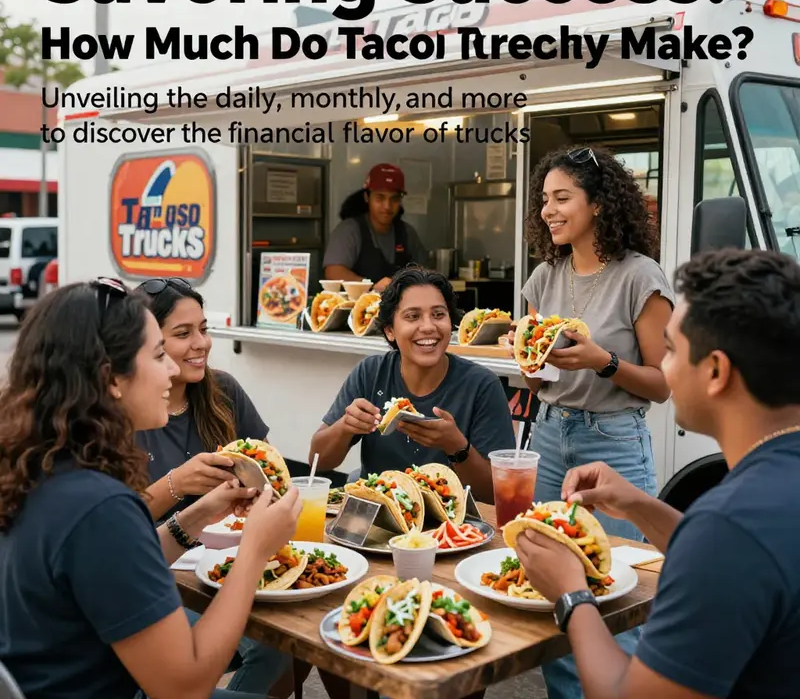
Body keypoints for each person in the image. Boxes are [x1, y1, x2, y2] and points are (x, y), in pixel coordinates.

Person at [515, 248, 800, 699]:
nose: (663, 366)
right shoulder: (760, 504)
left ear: (716, 370)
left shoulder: (728, 526)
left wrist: (571, 595)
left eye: (670, 350)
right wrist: (641, 506)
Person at [0, 278, 302, 699]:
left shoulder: (40, 465)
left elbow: (107, 565)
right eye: (160, 354)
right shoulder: (99, 506)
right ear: (111, 379)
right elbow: (185, 686)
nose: (174, 370)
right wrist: (254, 550)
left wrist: (196, 516)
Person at [515, 145, 675, 699]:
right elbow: (534, 378)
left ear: (599, 205)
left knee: (622, 592)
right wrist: (527, 360)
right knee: (558, 589)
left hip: (616, 440)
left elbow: (662, 381)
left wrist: (600, 359)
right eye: (545, 201)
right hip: (550, 433)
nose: (548, 212)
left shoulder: (639, 276)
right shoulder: (544, 276)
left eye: (562, 199)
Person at [133, 276, 291, 696]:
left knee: (282, 647)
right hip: (162, 580)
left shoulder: (222, 391)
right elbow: (119, 528)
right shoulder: (127, 414)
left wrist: (257, 495)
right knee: (266, 645)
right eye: (182, 334)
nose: (201, 343)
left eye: (204, 329)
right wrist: (174, 484)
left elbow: (268, 469)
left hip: (228, 563)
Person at [310, 266, 515, 502]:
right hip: (377, 515)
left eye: (438, 314)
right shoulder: (371, 373)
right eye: (412, 316)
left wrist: (457, 447)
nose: (428, 326)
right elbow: (319, 461)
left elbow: (496, 495)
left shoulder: (482, 385)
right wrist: (346, 426)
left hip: (453, 527)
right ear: (389, 331)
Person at [323, 163, 429, 292]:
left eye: (394, 199)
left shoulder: (407, 232)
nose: (387, 206)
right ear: (367, 197)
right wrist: (371, 287)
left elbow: (423, 270)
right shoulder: (350, 230)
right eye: (380, 198)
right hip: (357, 308)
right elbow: (334, 272)